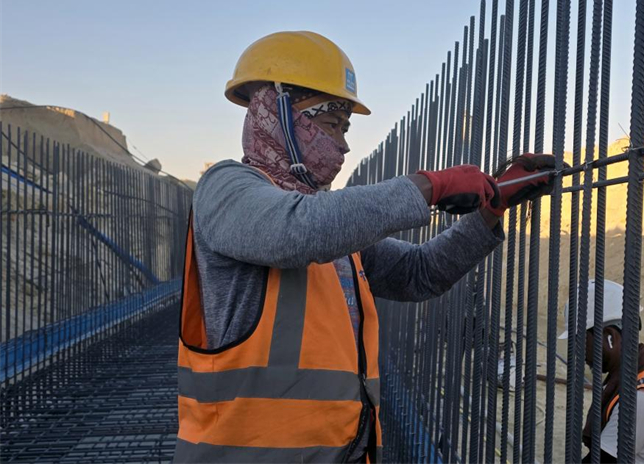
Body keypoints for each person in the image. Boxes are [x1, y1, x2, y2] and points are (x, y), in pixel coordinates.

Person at [174, 31, 557, 463]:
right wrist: (428, 186)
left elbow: (419, 273)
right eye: (331, 124)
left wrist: (491, 210)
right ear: (278, 114)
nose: (343, 144)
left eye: (346, 128)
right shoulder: (226, 188)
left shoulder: (334, 226)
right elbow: (294, 232)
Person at [559, 279, 644, 464]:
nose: (578, 352)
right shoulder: (633, 383)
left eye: (581, 341)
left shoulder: (640, 400)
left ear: (610, 337)